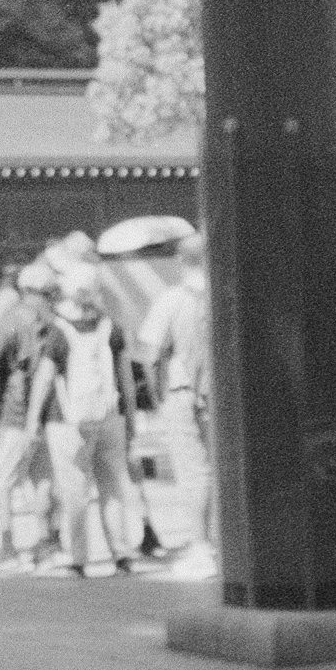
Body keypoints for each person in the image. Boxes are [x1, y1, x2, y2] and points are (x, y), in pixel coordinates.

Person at [31, 278, 151, 576]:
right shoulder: (112, 329)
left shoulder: (60, 331)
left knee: (75, 491)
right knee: (112, 488)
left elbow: (45, 378)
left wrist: (32, 420)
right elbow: (126, 380)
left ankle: (78, 559)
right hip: (111, 417)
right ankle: (121, 555)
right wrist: (131, 420)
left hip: (68, 421)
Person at [0, 262, 62, 567]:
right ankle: (46, 542)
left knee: (1, 481)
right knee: (41, 478)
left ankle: (7, 546)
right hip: (50, 410)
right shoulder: (55, 321)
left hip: (16, 411)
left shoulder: (11, 319)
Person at [137, 232, 215, 559]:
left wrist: (157, 397)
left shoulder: (171, 299)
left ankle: (199, 544)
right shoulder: (222, 296)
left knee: (192, 472)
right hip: (217, 392)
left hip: (181, 391)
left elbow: (151, 355)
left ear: (181, 261)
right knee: (216, 469)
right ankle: (217, 539)